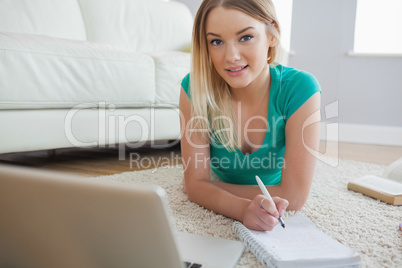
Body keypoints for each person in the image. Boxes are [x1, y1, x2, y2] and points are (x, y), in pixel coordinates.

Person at [179, 0, 321, 231]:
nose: (231, 56)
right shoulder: (194, 89)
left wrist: (208, 188)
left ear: (272, 35)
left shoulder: (300, 88)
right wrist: (241, 209)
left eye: (245, 37)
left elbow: (293, 198)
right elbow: (195, 187)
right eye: (216, 41)